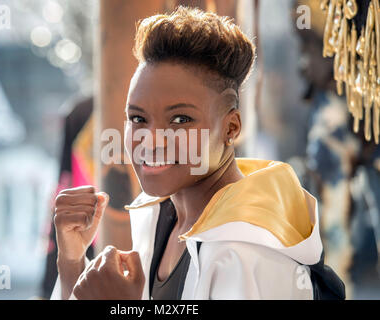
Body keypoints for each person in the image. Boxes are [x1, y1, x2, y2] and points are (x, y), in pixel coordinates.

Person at [51, 6, 345, 300]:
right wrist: (72, 263)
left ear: (231, 128)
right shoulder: (158, 214)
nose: (152, 141)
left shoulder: (247, 254)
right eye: (138, 118)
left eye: (180, 120)